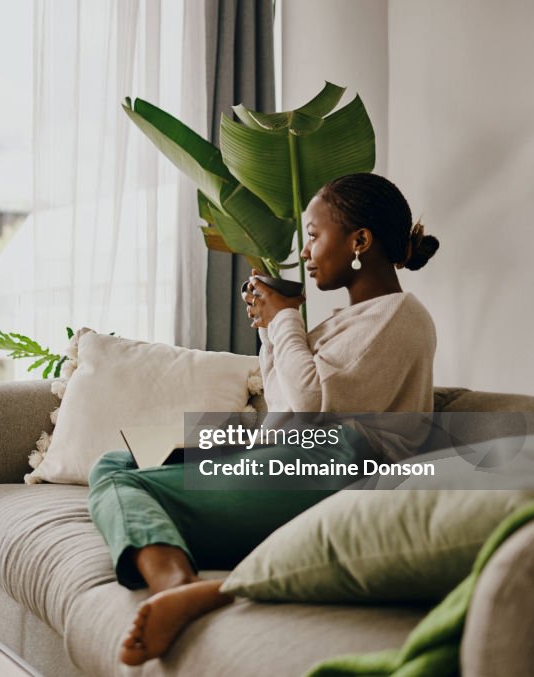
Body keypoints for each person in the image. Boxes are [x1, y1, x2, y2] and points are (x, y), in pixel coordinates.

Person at [86, 172, 441, 666]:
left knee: (134, 488)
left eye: (314, 236)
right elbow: (285, 414)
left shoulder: (400, 316)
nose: (307, 252)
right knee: (113, 464)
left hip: (344, 470)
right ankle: (174, 555)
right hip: (300, 456)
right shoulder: (347, 321)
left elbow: (309, 409)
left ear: (359, 240)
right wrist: (272, 333)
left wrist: (285, 320)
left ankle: (177, 585)